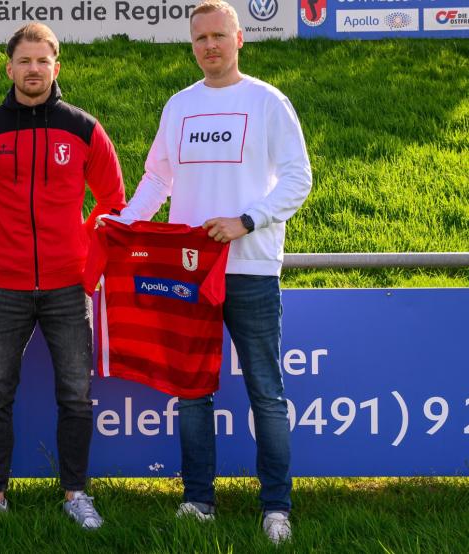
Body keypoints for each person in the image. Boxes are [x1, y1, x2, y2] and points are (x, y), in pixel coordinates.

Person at [115, 0, 312, 544]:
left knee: (265, 392)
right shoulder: (180, 106)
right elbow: (158, 178)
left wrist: (248, 221)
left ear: (240, 38)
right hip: (188, 271)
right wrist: (127, 223)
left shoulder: (268, 101)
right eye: (199, 38)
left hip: (250, 268)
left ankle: (276, 507)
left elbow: (299, 179)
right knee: (193, 391)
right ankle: (198, 500)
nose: (209, 47)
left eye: (218, 36)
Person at [0, 22, 126, 529]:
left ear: (56, 67)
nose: (33, 70)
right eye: (24, 61)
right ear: (9, 68)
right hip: (4, 286)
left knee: (75, 394)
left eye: (42, 61)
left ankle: (76, 495)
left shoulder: (83, 127)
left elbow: (113, 202)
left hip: (67, 288)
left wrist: (81, 248)